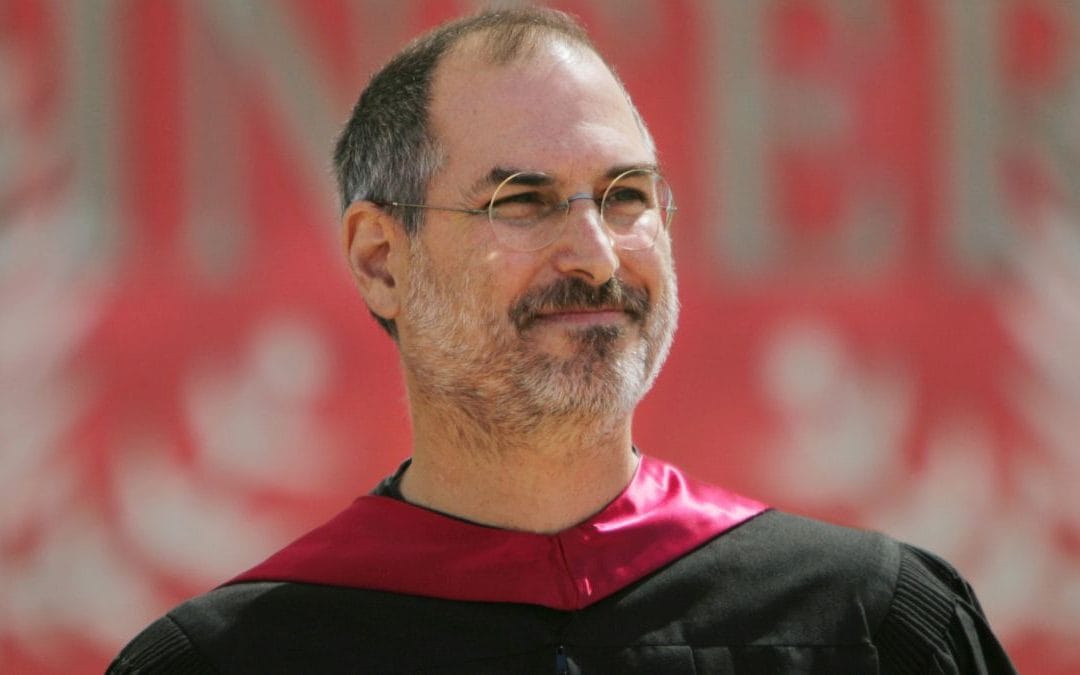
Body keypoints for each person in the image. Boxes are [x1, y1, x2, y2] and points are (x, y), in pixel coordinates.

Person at [109, 7, 1016, 674]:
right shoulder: (226, 663)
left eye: (626, 196)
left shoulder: (873, 629)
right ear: (382, 260)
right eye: (523, 201)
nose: (595, 255)